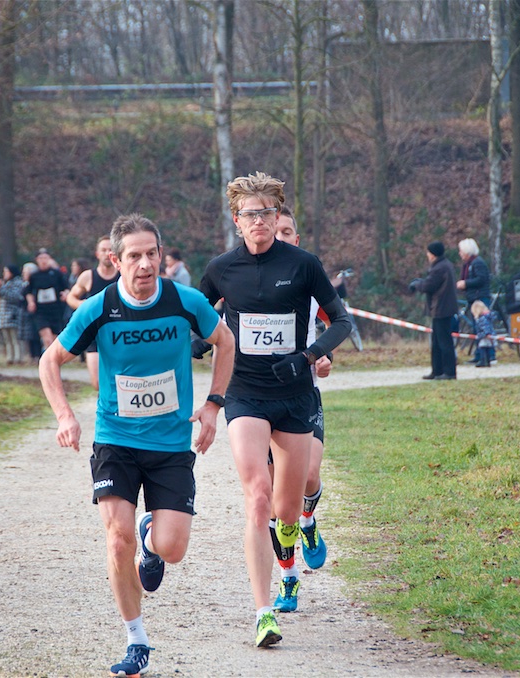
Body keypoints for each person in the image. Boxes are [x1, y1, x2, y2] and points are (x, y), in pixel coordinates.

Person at [39, 214, 235, 678]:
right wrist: (65, 415)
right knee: (116, 539)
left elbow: (224, 342)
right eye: (134, 256)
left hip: (170, 444)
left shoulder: (185, 302)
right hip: (116, 440)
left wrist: (213, 405)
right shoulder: (99, 308)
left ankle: (152, 538)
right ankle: (136, 640)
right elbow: (51, 360)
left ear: (161, 255)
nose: (145, 264)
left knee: (172, 548)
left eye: (151, 254)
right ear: (115, 260)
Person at [199, 171, 351, 648]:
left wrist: (308, 356)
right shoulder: (221, 269)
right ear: (237, 220)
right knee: (258, 496)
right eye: (250, 214)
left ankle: (295, 537)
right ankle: (263, 612)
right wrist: (197, 345)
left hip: (296, 395)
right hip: (245, 393)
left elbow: (341, 321)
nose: (259, 221)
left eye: (267, 212)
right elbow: (197, 322)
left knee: (286, 510)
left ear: (277, 214)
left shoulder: (303, 264)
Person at [268, 205, 332, 614]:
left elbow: (333, 323)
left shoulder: (309, 277)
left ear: (296, 238)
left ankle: (308, 521)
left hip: (303, 395)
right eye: (275, 231)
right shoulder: (250, 281)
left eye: (287, 231)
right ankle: (288, 577)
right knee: (277, 502)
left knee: (308, 476)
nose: (280, 237)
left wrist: (324, 357)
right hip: (258, 401)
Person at [66, 236, 121, 389]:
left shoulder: (124, 276)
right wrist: (82, 305)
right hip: (95, 334)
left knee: (122, 380)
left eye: (110, 249)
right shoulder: (88, 276)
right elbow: (71, 297)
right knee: (97, 383)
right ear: (97, 254)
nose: (107, 253)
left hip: (120, 334)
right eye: (103, 250)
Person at [409, 241, 458, 380]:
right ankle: (437, 371)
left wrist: (417, 284)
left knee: (444, 342)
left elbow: (429, 286)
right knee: (437, 342)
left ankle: (449, 372)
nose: (427, 255)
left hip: (441, 308)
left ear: (433, 254)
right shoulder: (445, 265)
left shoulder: (439, 268)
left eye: (428, 252)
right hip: (443, 308)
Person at [24, 248, 69, 350]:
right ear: (37, 260)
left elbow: (66, 288)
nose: (43, 261)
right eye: (40, 258)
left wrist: (65, 294)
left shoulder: (57, 274)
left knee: (55, 340)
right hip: (41, 311)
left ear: (49, 259)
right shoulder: (34, 276)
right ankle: (48, 357)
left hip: (55, 310)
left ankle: (53, 357)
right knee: (47, 339)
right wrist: (31, 302)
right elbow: (28, 291)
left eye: (45, 258)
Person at [0, 264, 26, 365]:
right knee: (7, 339)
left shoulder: (18, 283)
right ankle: (10, 357)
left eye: (6, 271)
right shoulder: (6, 283)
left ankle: (18, 357)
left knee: (15, 338)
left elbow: (15, 296)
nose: (4, 274)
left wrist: (1, 289)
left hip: (13, 314)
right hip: (3, 315)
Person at [18, 262, 43, 363]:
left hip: (37, 312)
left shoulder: (37, 284)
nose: (23, 275)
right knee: (29, 336)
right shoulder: (23, 285)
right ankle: (32, 355)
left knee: (36, 335)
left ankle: (38, 355)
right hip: (25, 313)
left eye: (26, 273)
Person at [456, 238, 491, 308]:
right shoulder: (469, 264)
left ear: (467, 251)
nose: (459, 253)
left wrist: (465, 283)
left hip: (480, 299)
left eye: (461, 251)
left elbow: (481, 279)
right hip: (473, 298)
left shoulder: (478, 263)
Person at [471, 299, 496, 367]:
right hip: (489, 334)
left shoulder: (481, 318)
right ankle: (488, 361)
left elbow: (485, 326)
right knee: (488, 347)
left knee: (482, 347)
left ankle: (483, 361)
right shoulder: (487, 316)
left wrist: (487, 333)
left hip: (484, 335)